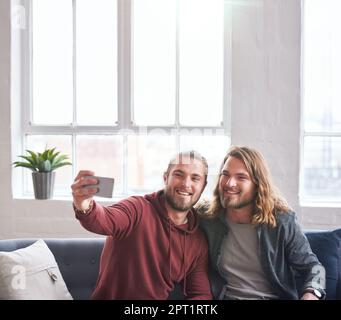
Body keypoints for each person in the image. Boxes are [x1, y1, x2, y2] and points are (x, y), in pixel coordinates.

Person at [71, 151, 212, 300]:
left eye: (195, 178)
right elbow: (103, 220)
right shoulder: (137, 208)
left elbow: (200, 295)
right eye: (178, 174)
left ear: (203, 186)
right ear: (166, 178)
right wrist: (84, 204)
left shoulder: (197, 241)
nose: (186, 184)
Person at [198, 146, 326, 300]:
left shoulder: (281, 221)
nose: (229, 183)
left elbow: (315, 268)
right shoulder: (208, 218)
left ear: (257, 184)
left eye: (241, 177)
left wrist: (311, 294)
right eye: (225, 174)